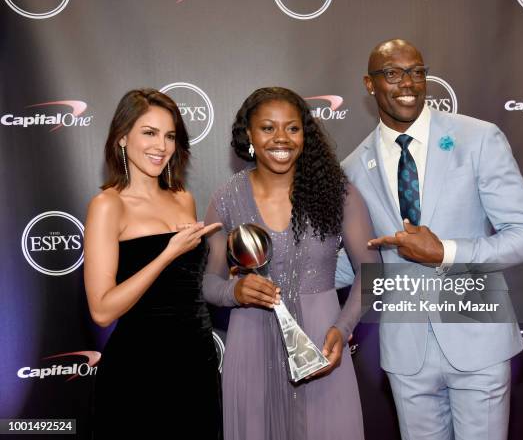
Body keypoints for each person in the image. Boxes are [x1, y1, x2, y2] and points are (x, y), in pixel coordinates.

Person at [336, 39, 523, 440]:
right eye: (393, 73)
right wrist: (287, 273)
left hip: (478, 341)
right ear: (369, 84)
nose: (408, 83)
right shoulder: (353, 168)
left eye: (417, 71)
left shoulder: (478, 138)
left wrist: (445, 252)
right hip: (405, 351)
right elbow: (357, 263)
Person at [202, 87, 380, 440]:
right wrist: (235, 290)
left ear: (305, 135)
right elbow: (208, 282)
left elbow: (373, 271)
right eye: (268, 128)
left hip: (322, 347)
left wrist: (341, 330)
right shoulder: (226, 198)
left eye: (292, 128)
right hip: (251, 350)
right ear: (248, 135)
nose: (281, 138)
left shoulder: (337, 193)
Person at [83, 88, 222, 438]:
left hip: (196, 364)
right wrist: (167, 253)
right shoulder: (108, 205)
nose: (161, 146)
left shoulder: (183, 199)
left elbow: (187, 284)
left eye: (170, 135)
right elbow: (101, 310)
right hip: (140, 369)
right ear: (122, 139)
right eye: (149, 132)